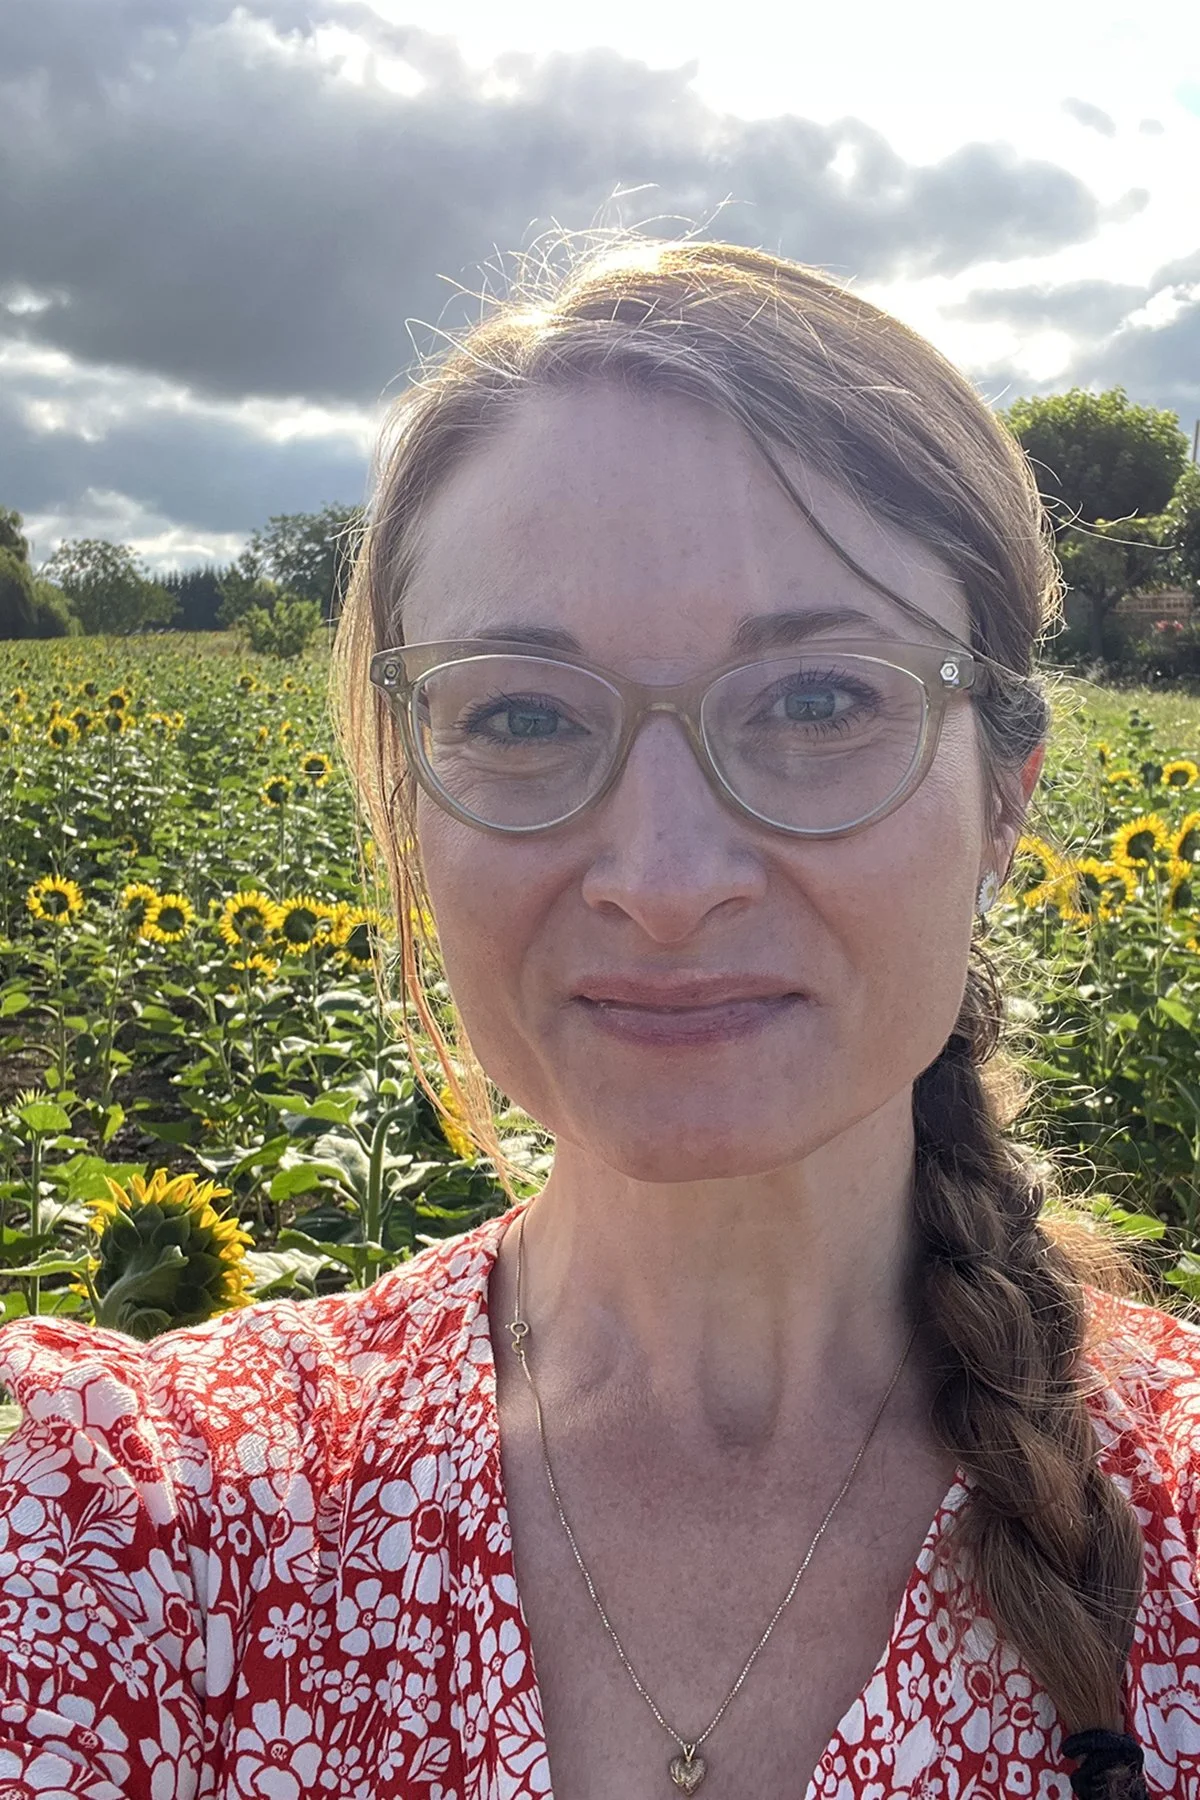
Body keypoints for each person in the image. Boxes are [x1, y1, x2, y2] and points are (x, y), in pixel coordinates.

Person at [1, 237, 1197, 1800]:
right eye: (520, 715)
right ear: (412, 806)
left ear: (1006, 800)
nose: (664, 881)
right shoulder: (131, 1529)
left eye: (819, 701)